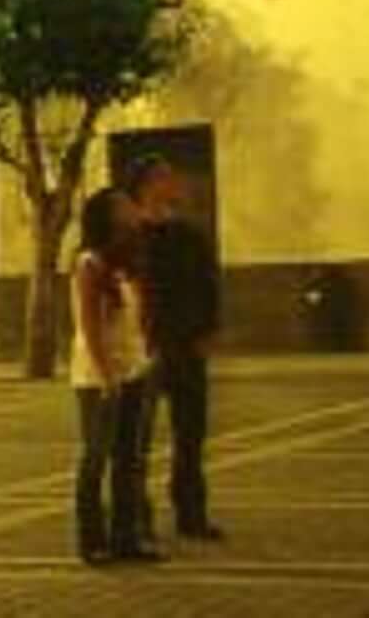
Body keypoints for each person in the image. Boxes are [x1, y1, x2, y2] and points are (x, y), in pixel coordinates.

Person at [129, 156, 221, 541]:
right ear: (147, 185)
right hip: (145, 349)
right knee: (137, 439)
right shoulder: (130, 237)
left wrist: (208, 330)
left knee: (191, 434)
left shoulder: (189, 235)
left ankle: (191, 512)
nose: (174, 185)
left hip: (187, 345)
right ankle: (138, 516)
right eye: (165, 178)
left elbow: (208, 283)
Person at [68, 186, 159, 567]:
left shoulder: (125, 261)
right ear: (107, 216)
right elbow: (89, 326)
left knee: (129, 458)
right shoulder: (89, 263)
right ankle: (92, 540)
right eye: (123, 204)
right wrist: (107, 377)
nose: (131, 208)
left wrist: (145, 356)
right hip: (99, 375)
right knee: (96, 456)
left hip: (132, 368)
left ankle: (127, 537)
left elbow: (135, 318)